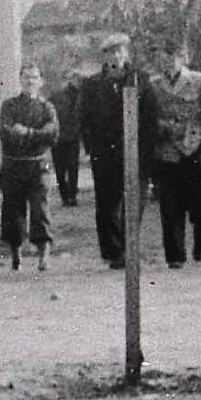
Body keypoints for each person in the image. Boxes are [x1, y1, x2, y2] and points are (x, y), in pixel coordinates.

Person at [143, 40, 201, 268]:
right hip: (166, 152)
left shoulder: (199, 81)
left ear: (182, 58)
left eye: (171, 56)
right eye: (162, 56)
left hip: (193, 149)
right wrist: (159, 129)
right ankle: (175, 256)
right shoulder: (153, 85)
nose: (166, 61)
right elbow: (147, 118)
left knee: (199, 203)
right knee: (169, 206)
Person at [79, 34, 141, 269]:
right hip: (104, 152)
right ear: (104, 57)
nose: (115, 56)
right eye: (110, 52)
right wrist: (90, 148)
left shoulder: (137, 79)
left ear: (126, 53)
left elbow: (148, 113)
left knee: (133, 199)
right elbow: (84, 118)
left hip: (132, 148)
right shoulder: (93, 84)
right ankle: (114, 252)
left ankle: (132, 248)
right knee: (107, 203)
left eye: (119, 51)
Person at [0, 62, 59, 271]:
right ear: (20, 80)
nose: (30, 81)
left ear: (40, 82)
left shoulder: (46, 108)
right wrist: (30, 134)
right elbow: (6, 131)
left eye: (34, 77)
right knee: (12, 212)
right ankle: (16, 256)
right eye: (26, 77)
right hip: (13, 165)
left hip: (38, 166)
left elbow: (52, 133)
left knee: (40, 210)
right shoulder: (9, 106)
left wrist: (29, 133)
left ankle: (44, 256)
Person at [50, 67, 85, 207]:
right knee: (60, 169)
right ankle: (65, 195)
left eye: (79, 79)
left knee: (72, 167)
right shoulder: (57, 96)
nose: (77, 82)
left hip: (72, 137)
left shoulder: (83, 95)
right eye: (74, 79)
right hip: (58, 137)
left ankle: (71, 196)